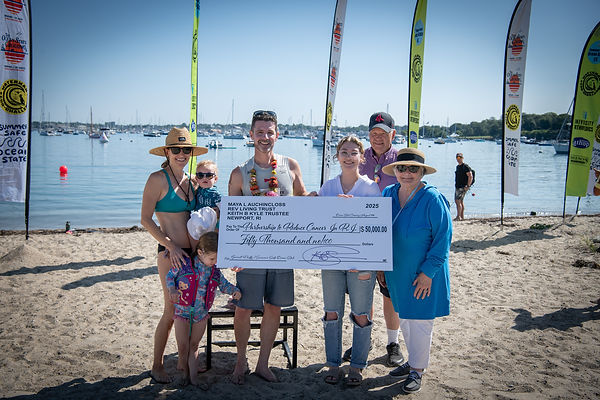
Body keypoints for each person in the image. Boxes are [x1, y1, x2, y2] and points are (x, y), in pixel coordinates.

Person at [228, 110, 314, 384]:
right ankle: (241, 361)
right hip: (250, 254)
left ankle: (263, 364)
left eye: (270, 132)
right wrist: (232, 252)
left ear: (278, 134)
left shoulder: (290, 165)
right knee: (243, 308)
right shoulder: (239, 173)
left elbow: (302, 198)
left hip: (282, 252)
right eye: (260, 132)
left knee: (274, 306)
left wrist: (322, 199)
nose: (265, 137)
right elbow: (231, 218)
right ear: (251, 135)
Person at [379, 148, 452, 394]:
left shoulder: (432, 198)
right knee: (405, 318)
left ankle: (417, 370)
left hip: (424, 274)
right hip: (397, 272)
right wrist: (380, 264)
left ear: (422, 172)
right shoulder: (388, 193)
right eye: (402, 168)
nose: (406, 173)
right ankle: (412, 361)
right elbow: (375, 229)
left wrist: (428, 272)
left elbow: (443, 238)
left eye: (413, 168)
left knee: (420, 321)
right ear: (395, 171)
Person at [141, 127, 208, 383]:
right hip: (171, 255)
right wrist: (171, 246)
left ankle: (183, 360)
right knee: (171, 311)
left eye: (186, 150)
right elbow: (145, 220)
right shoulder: (157, 179)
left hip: (193, 255)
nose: (182, 154)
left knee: (191, 309)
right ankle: (157, 365)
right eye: (176, 150)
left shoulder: (192, 180)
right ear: (167, 151)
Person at [318, 135, 380, 386]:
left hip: (361, 261)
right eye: (344, 151)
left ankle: (357, 365)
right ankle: (333, 363)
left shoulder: (370, 188)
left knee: (361, 314)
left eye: (354, 152)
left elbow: (378, 228)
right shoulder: (328, 187)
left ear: (361, 157)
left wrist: (357, 211)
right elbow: (316, 223)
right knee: (331, 312)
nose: (348, 156)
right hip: (331, 260)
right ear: (337, 156)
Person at [352, 111, 404, 368]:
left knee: (389, 293)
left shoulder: (401, 160)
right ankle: (364, 339)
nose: (378, 138)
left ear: (392, 134)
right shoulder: (359, 159)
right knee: (362, 292)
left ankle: (393, 343)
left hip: (392, 236)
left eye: (383, 134)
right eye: (374, 133)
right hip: (362, 236)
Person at [166, 230, 241, 386]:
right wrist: (172, 289)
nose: (215, 261)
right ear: (200, 252)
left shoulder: (214, 271)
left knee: (194, 345)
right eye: (212, 258)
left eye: (217, 258)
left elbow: (223, 284)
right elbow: (170, 276)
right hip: (182, 312)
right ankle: (185, 375)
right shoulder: (184, 263)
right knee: (182, 346)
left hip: (201, 313)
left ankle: (193, 378)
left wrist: (234, 290)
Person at [454, 152, 473, 221]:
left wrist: (468, 185)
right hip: (458, 186)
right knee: (460, 201)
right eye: (457, 158)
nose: (458, 159)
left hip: (462, 187)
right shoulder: (458, 167)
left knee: (457, 201)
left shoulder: (465, 167)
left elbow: (470, 176)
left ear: (462, 158)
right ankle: (461, 216)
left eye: (460, 158)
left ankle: (458, 216)